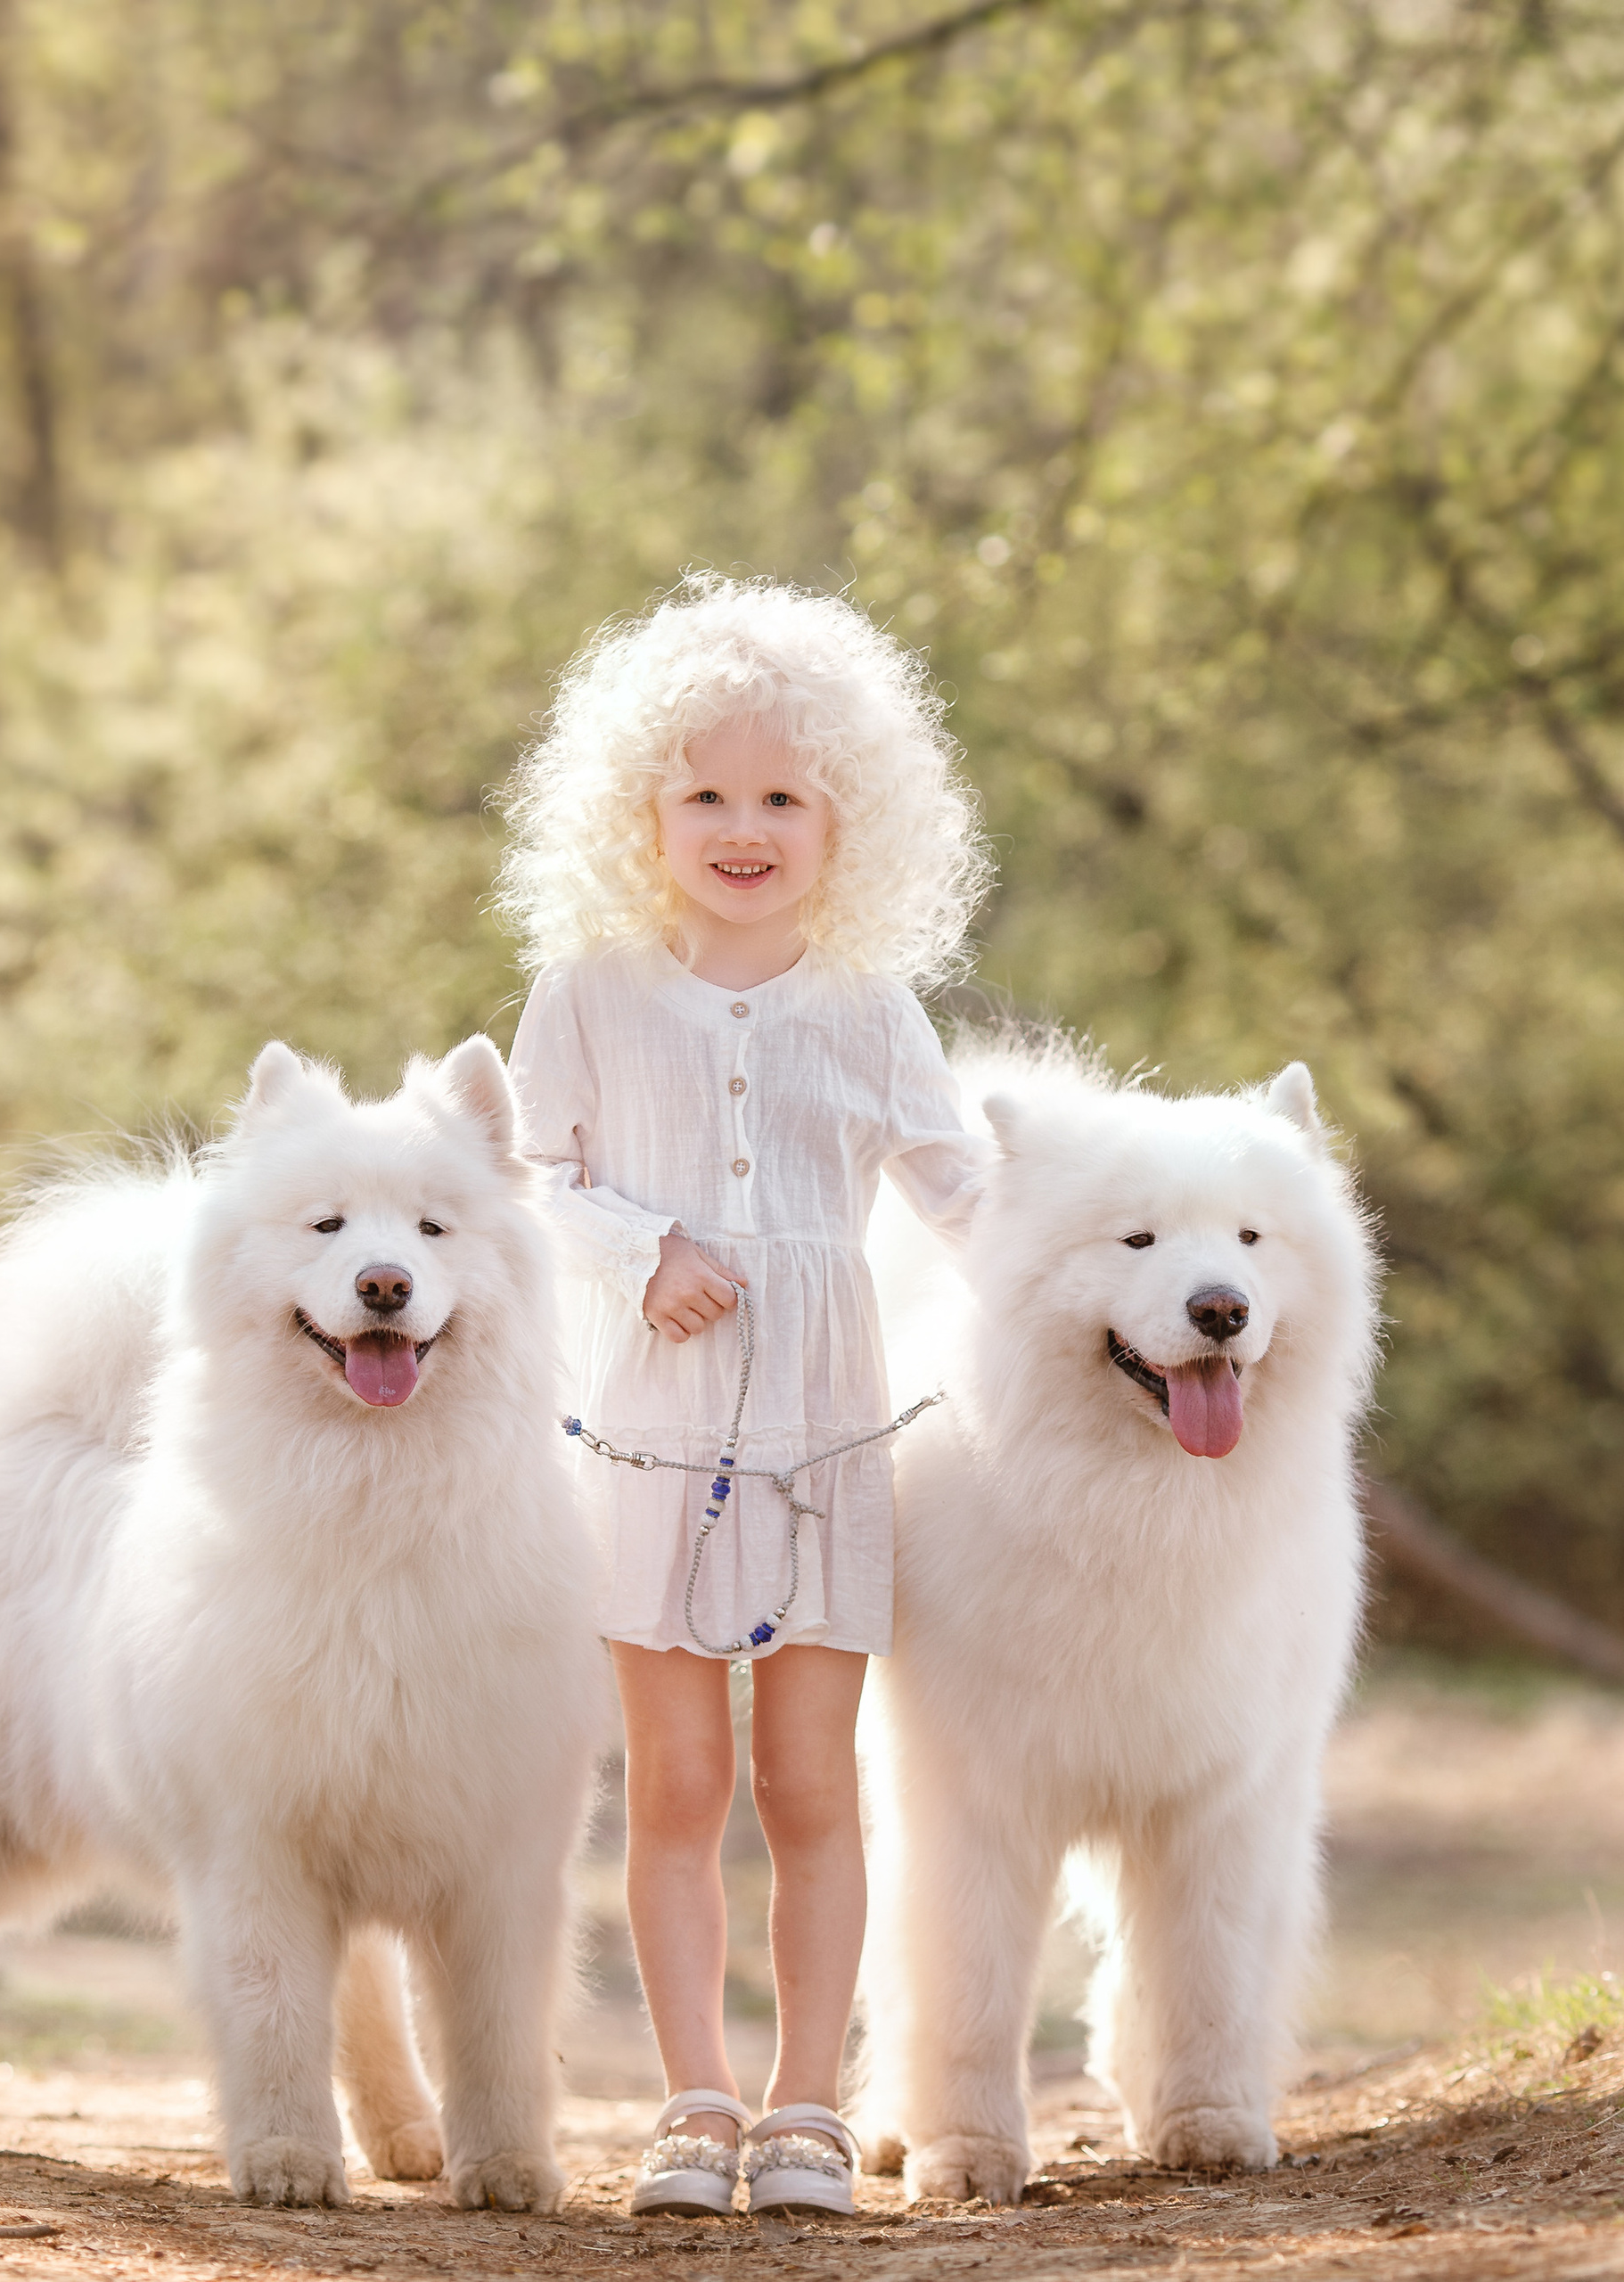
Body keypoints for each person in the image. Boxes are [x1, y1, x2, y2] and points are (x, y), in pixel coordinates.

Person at [499, 575, 993, 2218]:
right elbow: (521, 1182)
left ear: (847, 821)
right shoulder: (586, 994)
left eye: (782, 795)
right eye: (705, 790)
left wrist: (1124, 1294)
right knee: (677, 1785)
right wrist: (641, 1247)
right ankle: (694, 2095)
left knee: (808, 1785)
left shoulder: (873, 1012)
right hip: (644, 1435)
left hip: (824, 1443)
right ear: (642, 808)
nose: (743, 825)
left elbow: (975, 1206)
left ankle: (806, 2102)